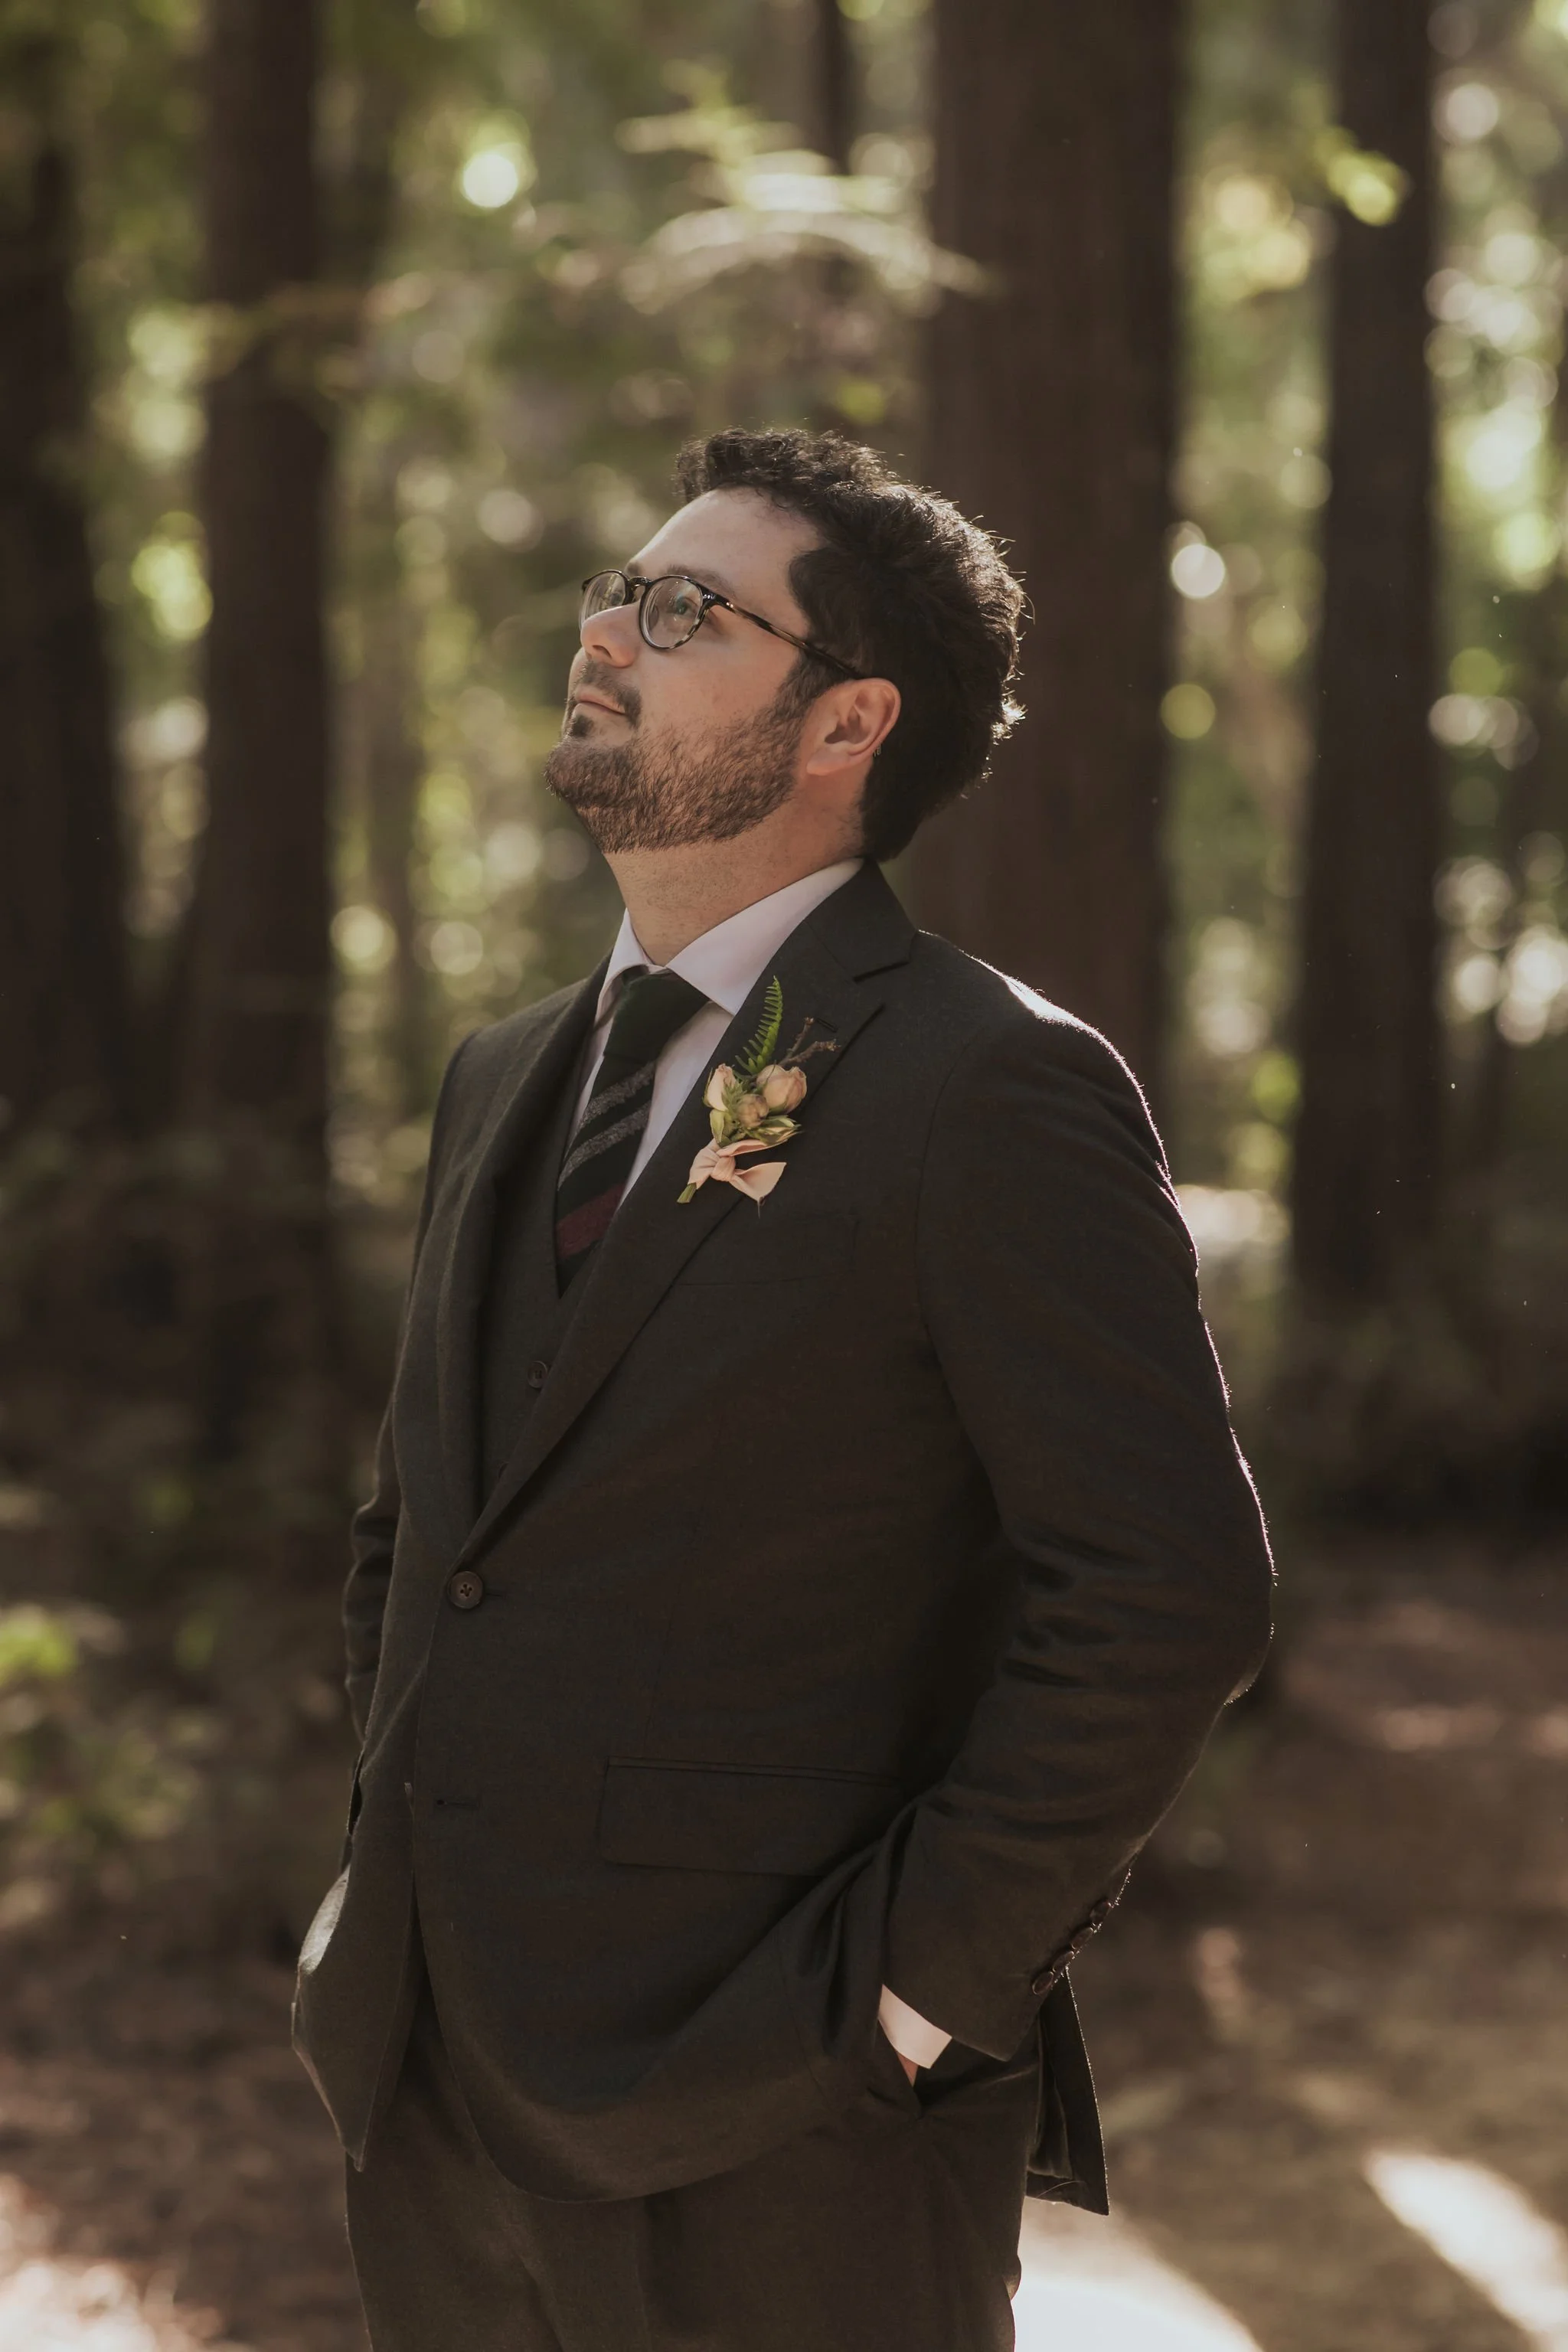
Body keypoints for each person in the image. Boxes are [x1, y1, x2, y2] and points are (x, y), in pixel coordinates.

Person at [292, 428, 1273, 2352]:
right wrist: (375, 1892)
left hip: (784, 2133)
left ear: (848, 722)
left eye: (682, 609)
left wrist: (906, 2002)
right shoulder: (504, 1073)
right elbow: (426, 1533)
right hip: (434, 2094)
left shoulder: (989, 1086)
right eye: (612, 589)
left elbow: (1167, 1591)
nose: (607, 633)